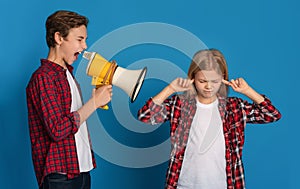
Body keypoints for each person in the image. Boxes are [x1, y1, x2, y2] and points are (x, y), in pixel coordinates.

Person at [137, 49, 281, 189]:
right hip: (183, 184)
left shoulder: (234, 107)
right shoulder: (179, 104)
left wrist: (247, 91)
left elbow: (271, 114)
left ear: (223, 78)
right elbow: (145, 116)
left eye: (214, 81)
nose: (208, 86)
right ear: (193, 78)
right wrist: (170, 89)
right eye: (202, 81)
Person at [26, 10, 113, 189]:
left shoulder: (67, 76)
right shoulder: (44, 78)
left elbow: (74, 121)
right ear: (59, 38)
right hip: (60, 176)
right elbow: (57, 129)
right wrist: (94, 103)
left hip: (80, 170)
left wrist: (96, 100)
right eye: (79, 39)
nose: (84, 46)